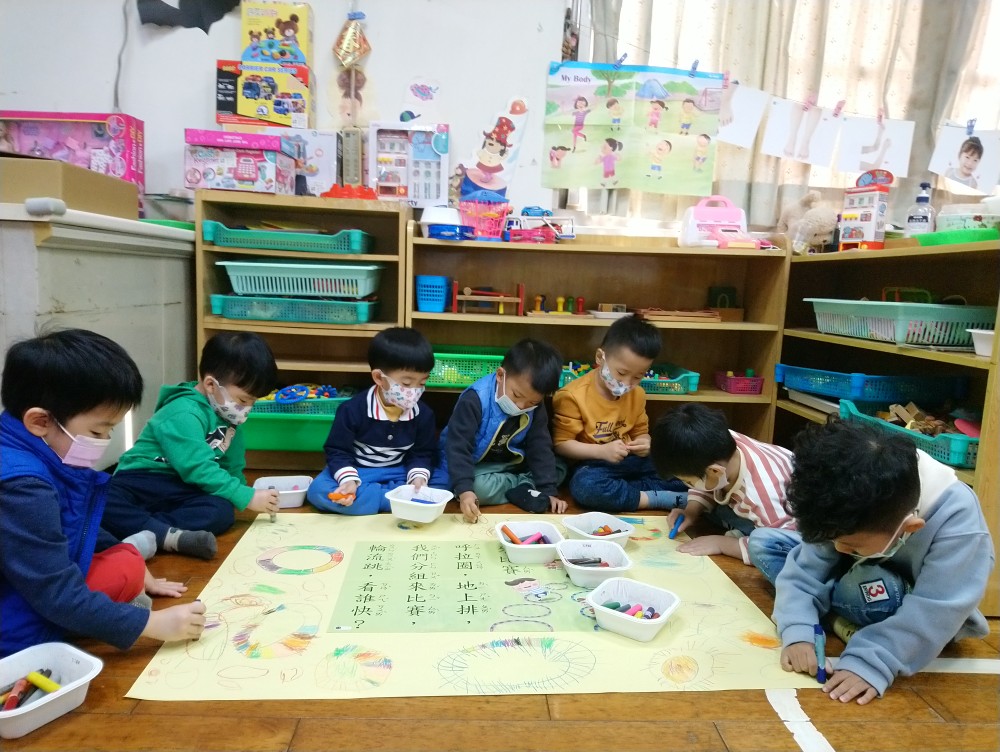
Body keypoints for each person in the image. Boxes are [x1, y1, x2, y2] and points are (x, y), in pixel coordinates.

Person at [0, 329, 205, 657]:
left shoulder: (41, 447)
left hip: (34, 582)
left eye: (110, 430)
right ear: (40, 421)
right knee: (122, 570)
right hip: (14, 633)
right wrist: (150, 624)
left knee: (127, 561)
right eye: (97, 431)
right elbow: (56, 593)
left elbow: (74, 522)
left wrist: (130, 561)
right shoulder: (23, 486)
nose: (105, 441)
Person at [767, 420, 993, 705]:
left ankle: (842, 614)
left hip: (902, 600)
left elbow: (938, 608)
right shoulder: (848, 497)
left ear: (910, 527)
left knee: (861, 589)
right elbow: (806, 566)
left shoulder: (959, 522)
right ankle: (834, 613)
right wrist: (798, 628)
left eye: (851, 545)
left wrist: (873, 660)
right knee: (765, 542)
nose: (838, 548)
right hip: (855, 577)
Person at [102, 332, 279, 560]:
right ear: (211, 384)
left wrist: (240, 493)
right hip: (144, 479)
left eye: (252, 402)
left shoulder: (229, 416)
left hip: (183, 486)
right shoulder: (183, 411)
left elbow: (231, 466)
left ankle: (152, 531)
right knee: (101, 499)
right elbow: (197, 468)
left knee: (221, 510)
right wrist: (247, 496)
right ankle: (161, 533)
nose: (247, 409)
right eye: (243, 400)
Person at [552, 315, 687, 513]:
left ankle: (626, 492)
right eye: (621, 373)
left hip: (631, 461)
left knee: (684, 468)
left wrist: (645, 443)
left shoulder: (637, 394)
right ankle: (656, 497)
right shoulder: (572, 396)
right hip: (593, 465)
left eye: (638, 376)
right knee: (585, 486)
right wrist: (602, 452)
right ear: (600, 357)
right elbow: (561, 444)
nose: (627, 383)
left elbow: (641, 432)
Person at [306, 327, 446, 515]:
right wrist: (348, 481)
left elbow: (422, 453)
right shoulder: (351, 410)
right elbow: (338, 451)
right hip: (360, 471)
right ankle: (397, 499)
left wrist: (418, 478)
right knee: (318, 490)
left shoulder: (424, 414)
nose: (414, 390)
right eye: (406, 383)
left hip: (399, 470)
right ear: (379, 377)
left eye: (422, 382)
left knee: (443, 481)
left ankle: (373, 499)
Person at [650, 403, 796, 568]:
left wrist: (722, 544)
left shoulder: (761, 495)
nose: (688, 485)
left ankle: (745, 533)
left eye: (689, 482)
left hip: (795, 527)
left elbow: (784, 549)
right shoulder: (719, 444)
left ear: (715, 471)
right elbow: (709, 482)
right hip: (769, 507)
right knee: (713, 510)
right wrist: (691, 511)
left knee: (751, 533)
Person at [440, 339, 568, 523]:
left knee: (560, 467)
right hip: (479, 465)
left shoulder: (535, 407)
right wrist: (465, 491)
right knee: (474, 488)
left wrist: (548, 492)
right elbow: (458, 448)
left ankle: (524, 486)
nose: (522, 406)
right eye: (516, 395)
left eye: (532, 402)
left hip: (512, 463)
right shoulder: (474, 400)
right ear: (500, 375)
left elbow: (539, 445)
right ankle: (524, 485)